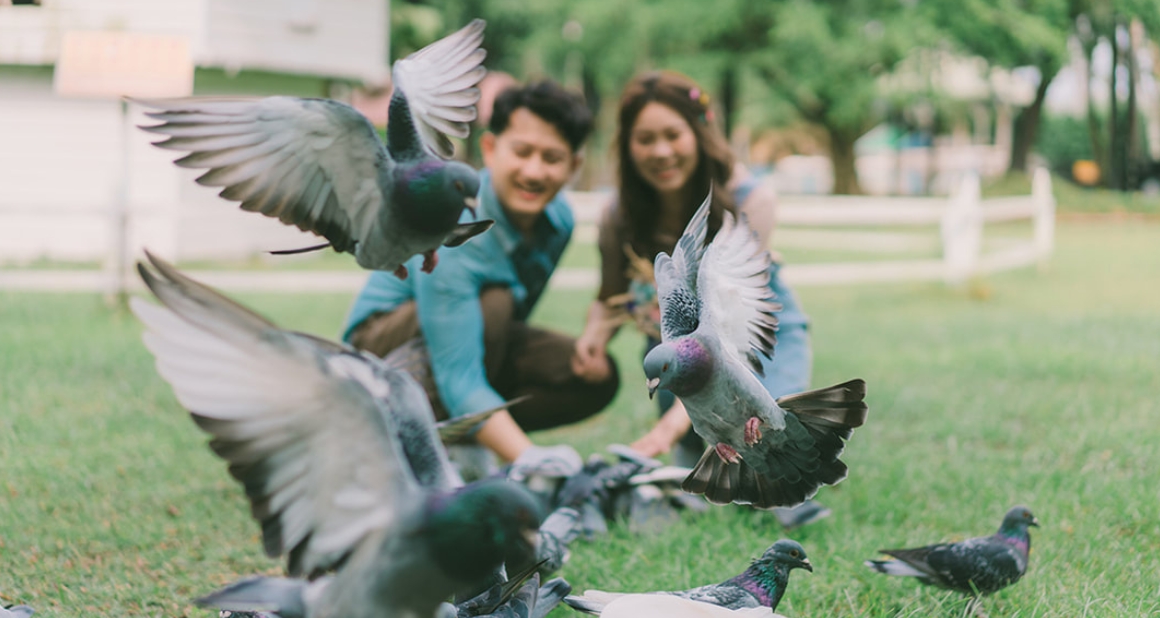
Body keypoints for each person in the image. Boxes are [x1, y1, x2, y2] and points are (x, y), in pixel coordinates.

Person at [571, 71, 828, 529]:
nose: (662, 151)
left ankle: (793, 496)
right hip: (683, 364)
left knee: (774, 442)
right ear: (627, 146)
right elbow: (609, 297)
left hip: (762, 350)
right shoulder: (619, 215)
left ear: (699, 133)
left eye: (673, 134)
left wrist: (663, 433)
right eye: (645, 139)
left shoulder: (751, 199)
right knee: (714, 471)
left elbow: (732, 348)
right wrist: (593, 339)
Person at [343, 80, 617, 472]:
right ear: (490, 149)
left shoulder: (560, 221)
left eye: (552, 158)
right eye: (522, 152)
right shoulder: (454, 226)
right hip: (376, 348)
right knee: (495, 302)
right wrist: (530, 460)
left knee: (593, 376)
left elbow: (500, 334)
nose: (534, 171)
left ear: (574, 166)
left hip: (473, 337)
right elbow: (459, 374)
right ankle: (387, 429)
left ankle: (469, 433)